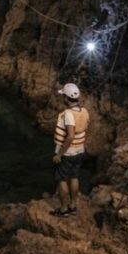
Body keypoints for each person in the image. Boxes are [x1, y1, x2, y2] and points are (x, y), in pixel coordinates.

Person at [51, 82, 89, 216]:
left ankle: (63, 209)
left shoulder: (68, 114)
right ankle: (73, 206)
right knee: (74, 176)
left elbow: (70, 136)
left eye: (64, 97)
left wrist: (59, 155)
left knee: (62, 179)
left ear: (67, 98)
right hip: (80, 151)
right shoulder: (84, 111)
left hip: (68, 153)